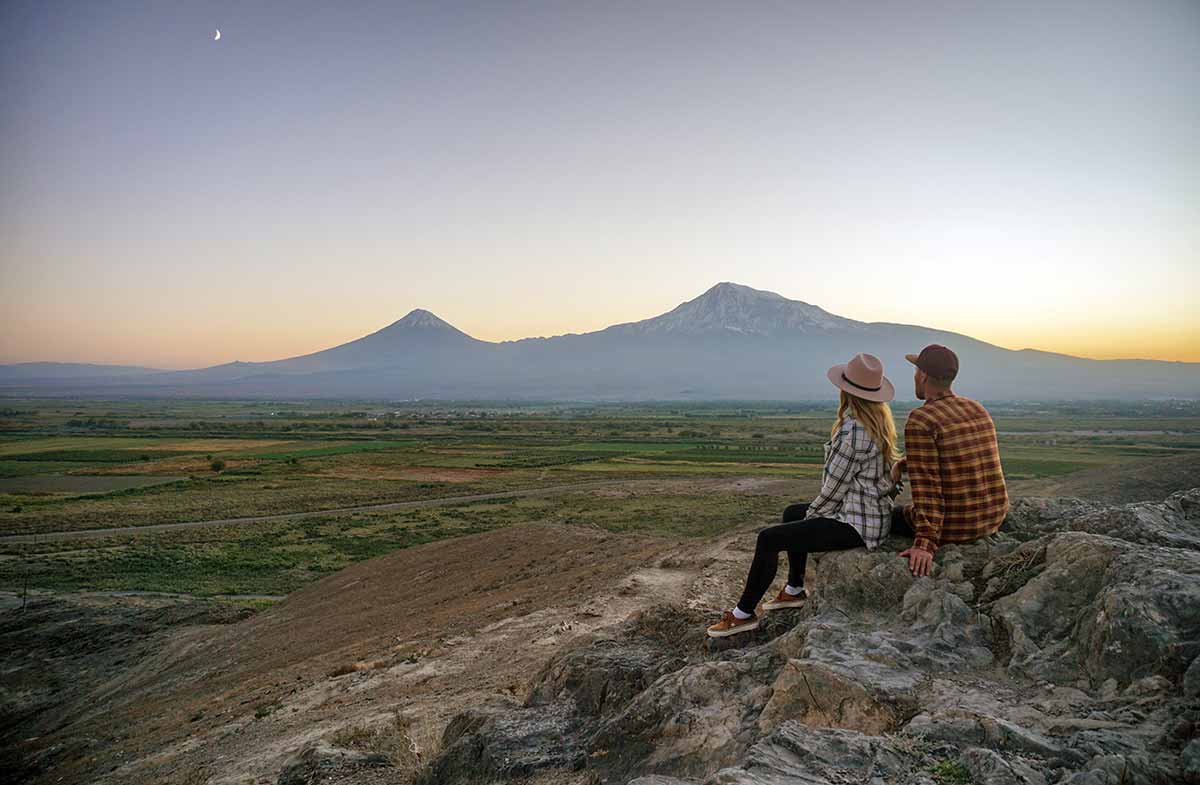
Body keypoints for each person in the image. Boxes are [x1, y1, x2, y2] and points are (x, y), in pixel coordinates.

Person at [707, 352, 903, 638]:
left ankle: (743, 614)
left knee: (769, 538)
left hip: (855, 526)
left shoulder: (853, 433)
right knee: (791, 513)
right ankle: (794, 589)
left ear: (845, 392)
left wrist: (808, 524)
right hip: (871, 517)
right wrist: (804, 521)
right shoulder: (878, 424)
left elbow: (832, 492)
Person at [888, 344, 1009, 577]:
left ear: (922, 375)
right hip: (992, 518)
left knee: (882, 516)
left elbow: (928, 489)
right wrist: (904, 463)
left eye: (915, 371)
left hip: (956, 527)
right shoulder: (976, 408)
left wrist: (925, 544)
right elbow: (959, 458)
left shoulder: (922, 419)